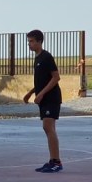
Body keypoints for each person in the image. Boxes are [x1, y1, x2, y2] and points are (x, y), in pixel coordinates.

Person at [23, 29, 63, 173]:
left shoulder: (46, 57)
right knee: (48, 128)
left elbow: (56, 77)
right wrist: (30, 93)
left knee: (48, 127)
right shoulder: (37, 58)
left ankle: (56, 162)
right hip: (44, 99)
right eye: (28, 41)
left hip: (51, 98)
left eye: (32, 41)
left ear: (39, 41)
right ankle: (52, 160)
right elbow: (42, 81)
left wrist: (41, 94)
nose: (29, 44)